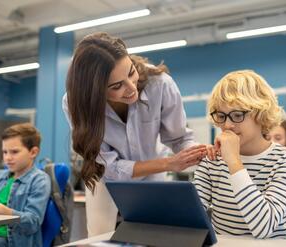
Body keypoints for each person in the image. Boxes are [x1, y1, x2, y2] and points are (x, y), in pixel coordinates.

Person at [62, 32, 207, 234]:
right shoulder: (75, 103)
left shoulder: (160, 84)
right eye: (116, 86)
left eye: (130, 72)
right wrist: (168, 163)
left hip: (153, 175)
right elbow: (109, 167)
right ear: (95, 91)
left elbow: (180, 137)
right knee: (99, 236)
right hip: (105, 177)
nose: (131, 88)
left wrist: (196, 152)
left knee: (154, 234)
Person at [194, 70, 286, 239]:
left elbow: (264, 227)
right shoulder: (212, 161)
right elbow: (191, 217)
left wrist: (233, 161)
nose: (227, 125)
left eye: (237, 115)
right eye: (221, 116)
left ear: (261, 114)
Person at [0, 123, 51, 247]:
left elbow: (33, 223)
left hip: (11, 240)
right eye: (4, 152)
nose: (7, 158)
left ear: (33, 152)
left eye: (14, 152)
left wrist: (0, 209)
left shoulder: (39, 180)